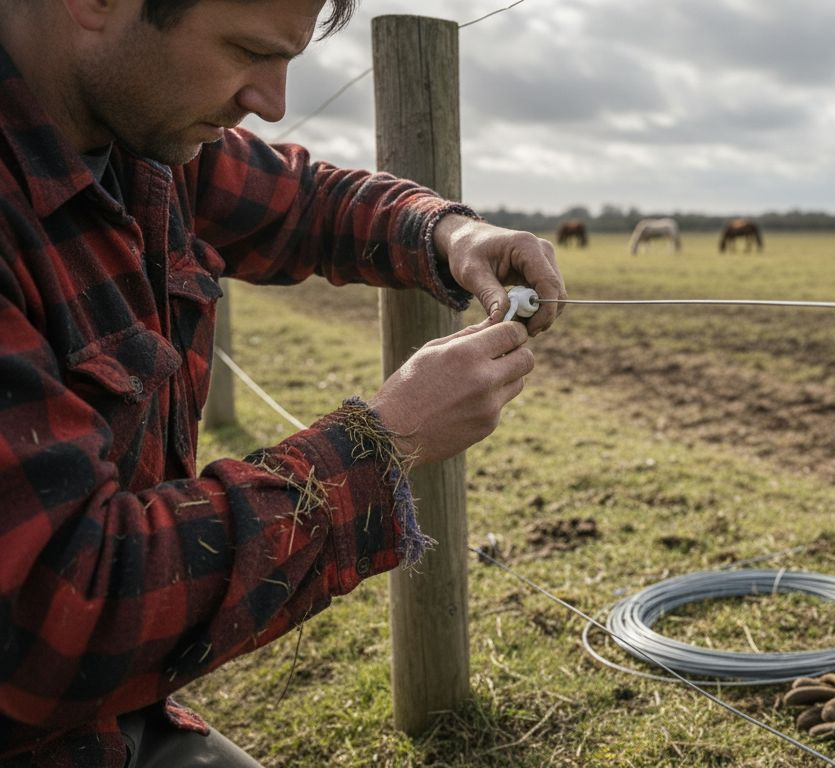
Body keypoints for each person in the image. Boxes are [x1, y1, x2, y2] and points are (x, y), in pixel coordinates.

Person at [0, 0, 566, 764]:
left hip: (107, 721)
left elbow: (301, 202)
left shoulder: (134, 138)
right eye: (246, 50)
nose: (272, 104)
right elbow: (62, 619)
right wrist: (378, 442)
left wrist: (446, 232)